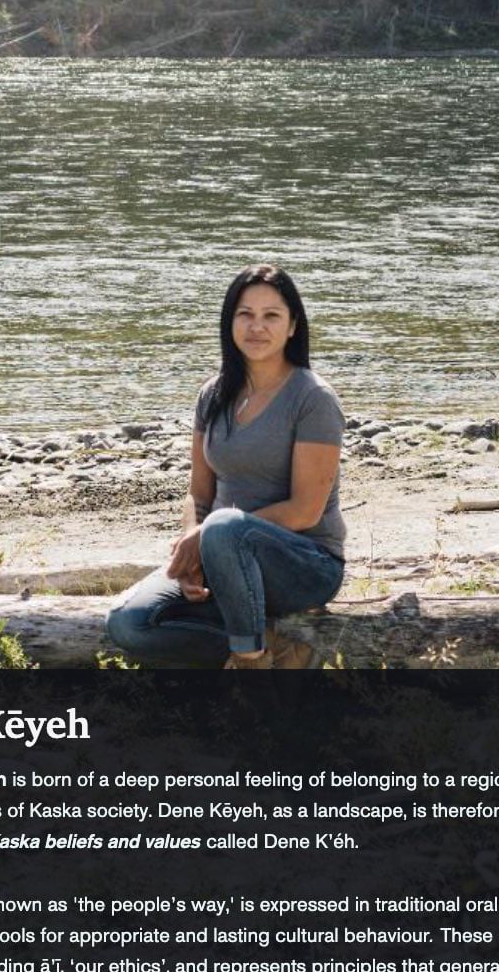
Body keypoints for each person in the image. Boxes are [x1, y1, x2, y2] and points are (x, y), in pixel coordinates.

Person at [105, 265, 347, 669]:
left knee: (223, 527)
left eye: (271, 315)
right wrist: (191, 549)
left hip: (306, 565)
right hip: (221, 561)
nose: (257, 327)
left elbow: (305, 510)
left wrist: (211, 537)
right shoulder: (213, 394)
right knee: (128, 624)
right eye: (245, 314)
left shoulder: (313, 398)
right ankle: (277, 644)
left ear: (292, 327)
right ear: (229, 321)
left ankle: (249, 663)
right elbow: (199, 494)